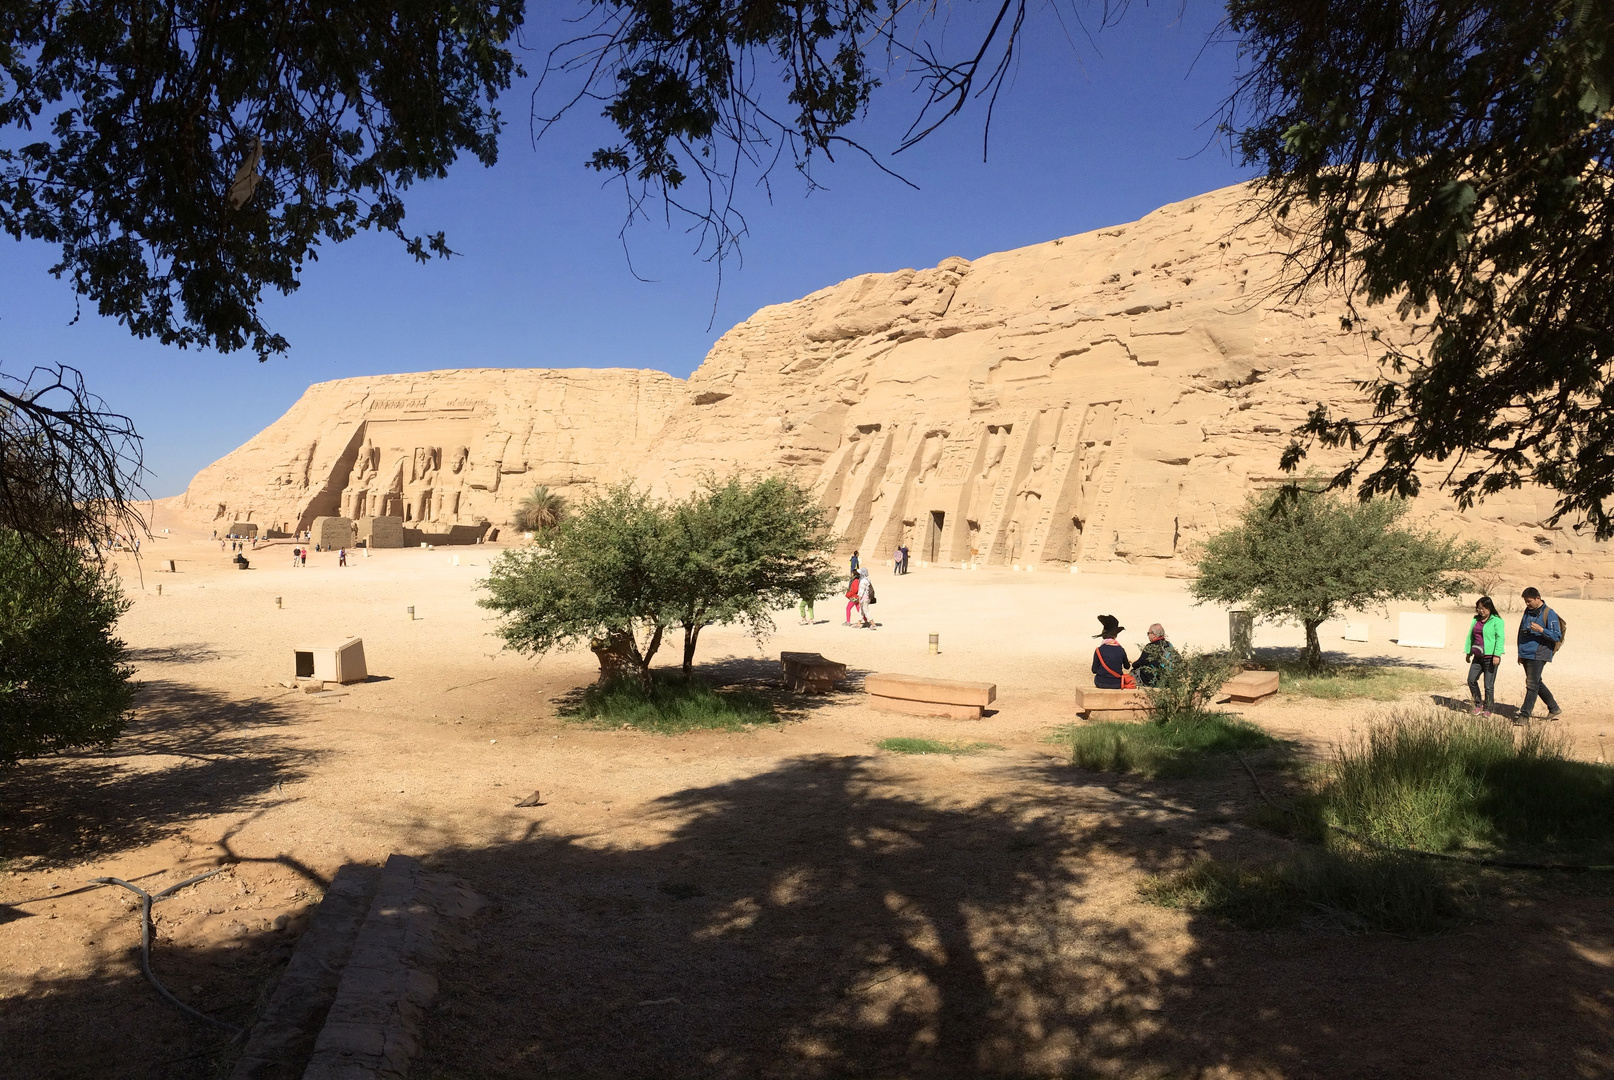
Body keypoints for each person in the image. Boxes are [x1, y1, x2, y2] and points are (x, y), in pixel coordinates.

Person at [1516, 587, 1564, 721]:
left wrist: (1542, 630)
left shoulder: (1549, 613)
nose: (1527, 604)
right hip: (1526, 653)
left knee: (1531, 685)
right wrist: (1520, 652)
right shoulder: (1528, 611)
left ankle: (1524, 715)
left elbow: (1556, 635)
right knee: (1536, 682)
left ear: (1538, 598)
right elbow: (1521, 631)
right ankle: (1554, 708)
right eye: (1525, 601)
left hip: (1539, 653)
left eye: (1529, 601)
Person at [1464, 596, 1505, 715]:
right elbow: (1471, 637)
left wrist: (1497, 654)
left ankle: (1488, 708)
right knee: (1471, 680)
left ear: (1489, 608)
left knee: (1488, 685)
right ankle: (1478, 704)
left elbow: (1500, 638)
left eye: (1484, 608)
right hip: (1478, 656)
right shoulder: (1475, 620)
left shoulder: (1497, 621)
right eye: (1479, 608)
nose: (1481, 611)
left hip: (1490, 657)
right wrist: (1468, 652)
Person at [1091, 615, 1132, 688]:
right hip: (1117, 683)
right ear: (1115, 636)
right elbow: (1127, 667)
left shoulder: (1098, 650)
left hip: (1101, 682)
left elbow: (1094, 670)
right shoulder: (1121, 649)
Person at [1132, 623, 1178, 687]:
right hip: (1167, 678)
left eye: (1148, 633)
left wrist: (1133, 664)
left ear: (1154, 635)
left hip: (1152, 680)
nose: (1148, 635)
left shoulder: (1150, 647)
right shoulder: (1169, 645)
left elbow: (1140, 662)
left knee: (1134, 672)